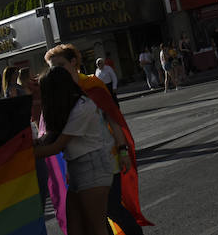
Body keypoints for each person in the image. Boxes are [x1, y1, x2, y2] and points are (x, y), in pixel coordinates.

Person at [44, 44, 149, 234]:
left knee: (112, 210)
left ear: (73, 62)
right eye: (52, 66)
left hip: (108, 158)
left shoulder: (93, 86)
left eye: (60, 64)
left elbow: (113, 120)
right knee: (94, 218)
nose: (55, 70)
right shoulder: (60, 92)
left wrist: (123, 151)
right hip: (80, 165)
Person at [35, 66, 114, 235]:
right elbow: (48, 139)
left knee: (96, 228)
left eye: (46, 92)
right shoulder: (68, 107)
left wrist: (21, 155)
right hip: (77, 168)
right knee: (75, 229)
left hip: (93, 166)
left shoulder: (82, 107)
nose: (43, 97)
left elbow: (56, 147)